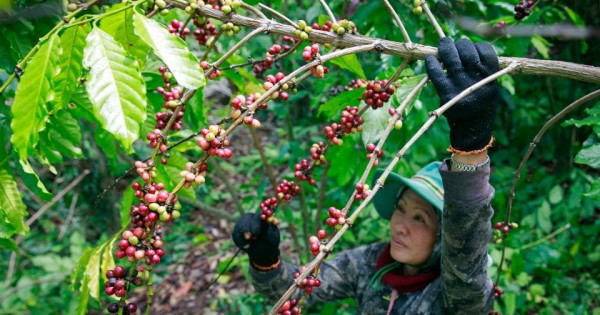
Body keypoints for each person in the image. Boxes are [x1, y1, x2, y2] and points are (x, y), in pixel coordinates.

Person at [231, 37, 499, 314]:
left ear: (444, 235)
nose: (400, 226)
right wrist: (266, 260)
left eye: (420, 218)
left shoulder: (456, 293)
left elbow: (466, 260)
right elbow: (296, 291)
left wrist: (471, 148)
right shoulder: (372, 264)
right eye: (401, 209)